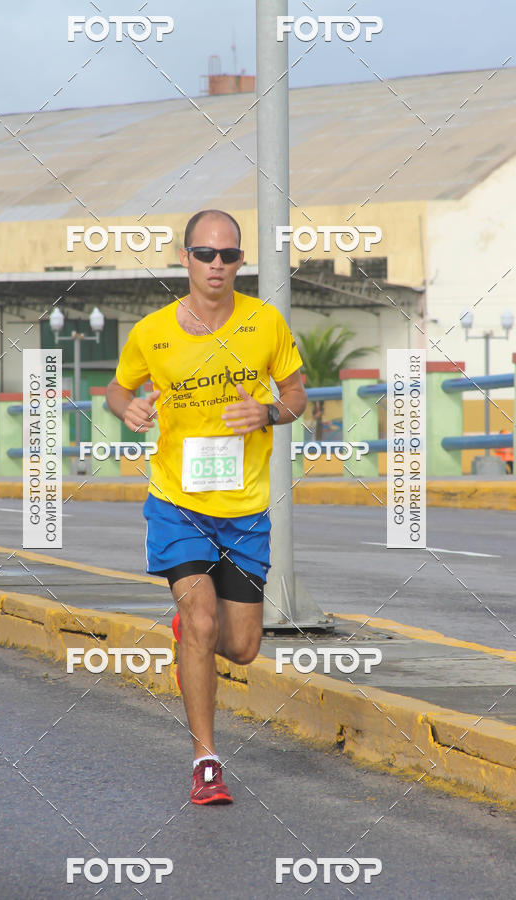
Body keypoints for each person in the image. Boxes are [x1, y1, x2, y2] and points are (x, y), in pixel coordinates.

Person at [106, 209, 306, 804]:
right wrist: (125, 408)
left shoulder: (266, 323)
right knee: (200, 622)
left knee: (241, 646)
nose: (217, 265)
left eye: (229, 255)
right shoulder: (154, 331)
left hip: (245, 510)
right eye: (204, 254)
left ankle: (192, 638)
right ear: (185, 258)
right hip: (177, 502)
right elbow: (119, 386)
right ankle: (206, 760)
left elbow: (296, 393)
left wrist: (268, 411)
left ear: (242, 260)